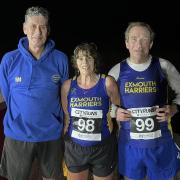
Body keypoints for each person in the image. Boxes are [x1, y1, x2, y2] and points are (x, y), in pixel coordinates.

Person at [0, 6, 69, 180]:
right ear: (24, 28)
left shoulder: (60, 59)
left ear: (48, 30)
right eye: (33, 26)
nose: (38, 32)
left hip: (51, 133)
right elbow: (7, 95)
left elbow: (65, 94)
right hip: (17, 134)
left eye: (43, 27)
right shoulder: (9, 60)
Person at [109, 21, 180, 180]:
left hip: (160, 142)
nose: (138, 44)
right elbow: (102, 101)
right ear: (126, 43)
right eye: (133, 39)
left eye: (144, 39)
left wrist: (175, 108)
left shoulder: (163, 66)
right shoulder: (117, 70)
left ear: (151, 43)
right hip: (130, 144)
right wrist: (114, 112)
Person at [61, 42, 120, 180]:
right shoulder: (67, 86)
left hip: (102, 148)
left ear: (95, 60)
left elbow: (119, 108)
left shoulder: (107, 83)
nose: (85, 62)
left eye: (89, 57)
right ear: (75, 62)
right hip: (75, 149)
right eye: (80, 58)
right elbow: (66, 117)